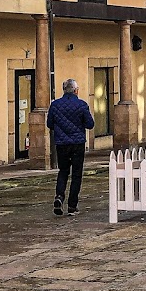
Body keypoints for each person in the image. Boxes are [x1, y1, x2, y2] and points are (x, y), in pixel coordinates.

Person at [47, 78, 95, 216]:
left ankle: (59, 196)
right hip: (77, 143)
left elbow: (50, 124)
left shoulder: (55, 105)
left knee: (63, 171)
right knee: (76, 174)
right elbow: (90, 124)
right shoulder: (81, 105)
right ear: (75, 90)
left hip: (61, 144)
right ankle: (72, 206)